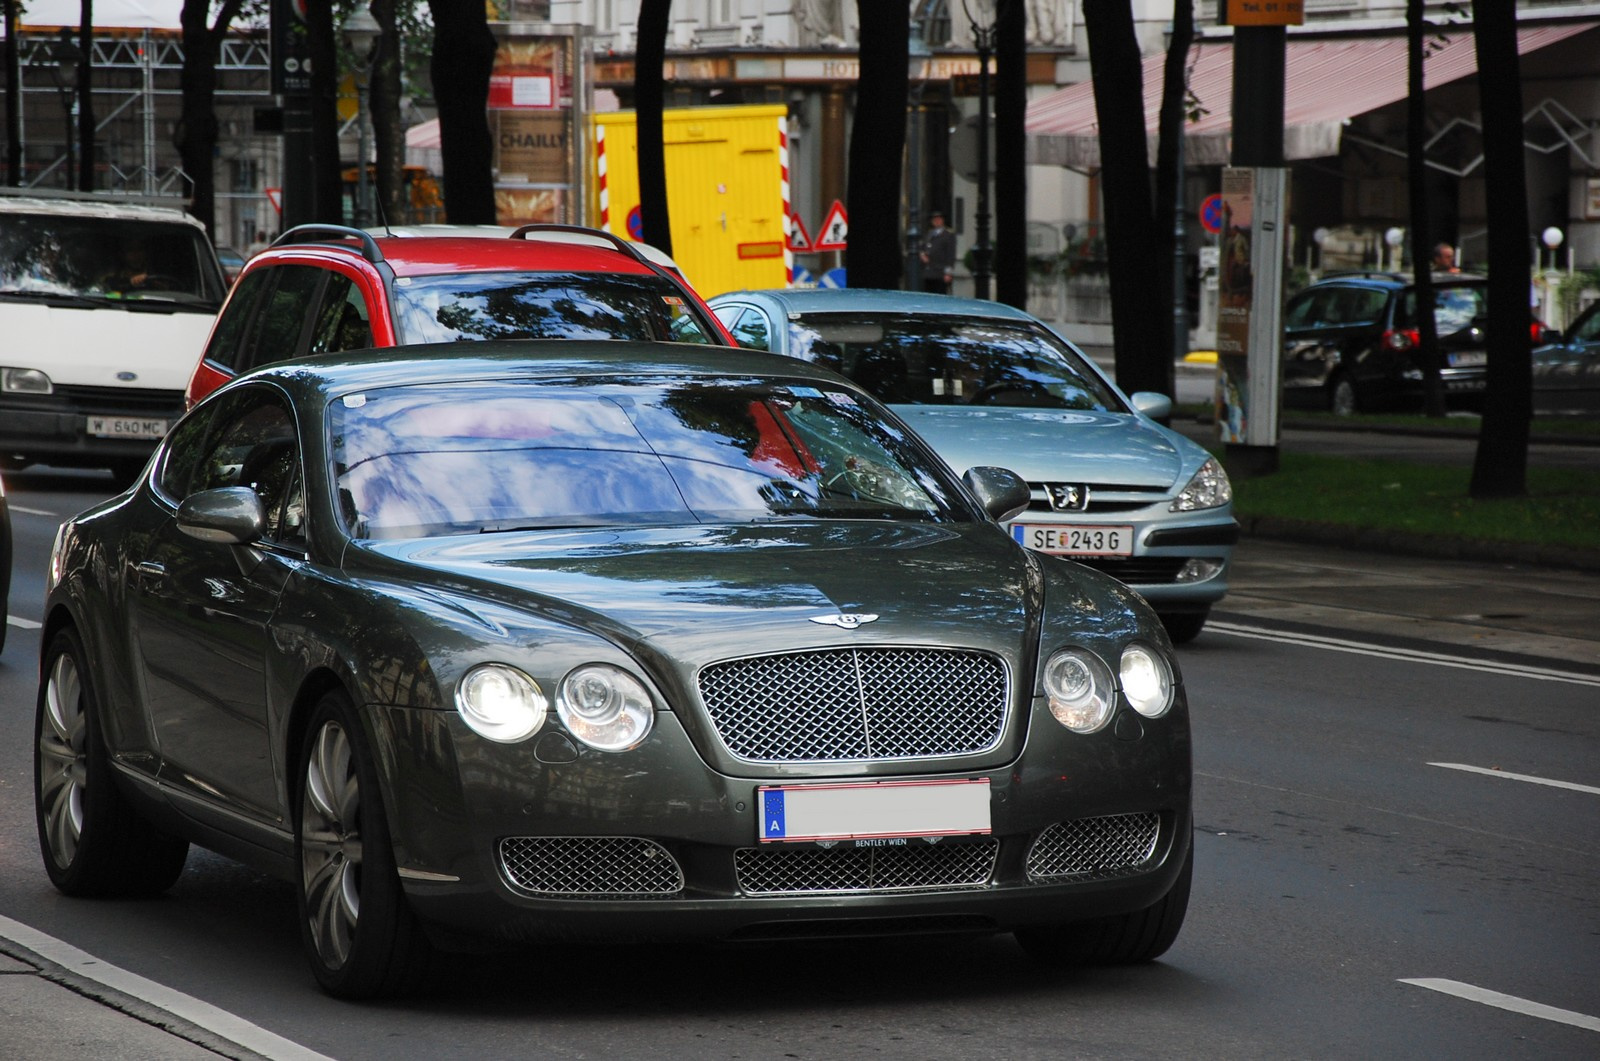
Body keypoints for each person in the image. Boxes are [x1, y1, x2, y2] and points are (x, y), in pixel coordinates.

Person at [919, 210, 956, 294]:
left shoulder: (948, 235)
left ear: (942, 220)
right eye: (935, 219)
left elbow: (951, 255)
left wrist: (948, 273)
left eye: (939, 219)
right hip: (928, 272)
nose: (937, 221)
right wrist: (922, 255)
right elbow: (922, 247)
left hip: (940, 272)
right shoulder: (929, 234)